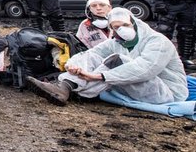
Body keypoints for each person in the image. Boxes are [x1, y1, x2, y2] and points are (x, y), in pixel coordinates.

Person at [27, 7, 187, 106]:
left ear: (134, 23)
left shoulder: (158, 41)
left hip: (167, 93)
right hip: (135, 88)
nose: (121, 30)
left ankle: (71, 88)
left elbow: (145, 69)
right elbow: (91, 54)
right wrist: (73, 65)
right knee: (98, 56)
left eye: (125, 25)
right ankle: (65, 87)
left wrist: (99, 76)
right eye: (116, 27)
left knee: (117, 61)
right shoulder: (116, 41)